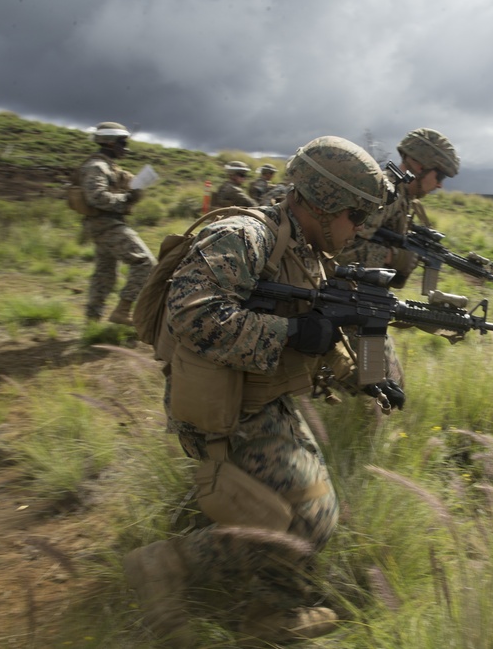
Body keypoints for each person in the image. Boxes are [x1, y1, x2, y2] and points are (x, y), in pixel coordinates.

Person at [122, 136, 404, 647]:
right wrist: (291, 334)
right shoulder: (243, 235)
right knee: (298, 519)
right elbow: (194, 315)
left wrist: (366, 375)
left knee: (312, 511)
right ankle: (170, 567)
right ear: (323, 202)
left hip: (257, 395)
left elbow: (319, 337)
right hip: (216, 407)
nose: (359, 228)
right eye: (355, 215)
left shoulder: (308, 250)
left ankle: (266, 598)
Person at [336, 128, 460, 385]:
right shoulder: (384, 192)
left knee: (387, 384)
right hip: (344, 299)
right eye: (440, 175)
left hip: (363, 300)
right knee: (384, 386)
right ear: (419, 165)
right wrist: (392, 257)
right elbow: (338, 252)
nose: (439, 184)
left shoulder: (403, 198)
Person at [77, 121, 156, 326]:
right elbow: (97, 197)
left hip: (104, 224)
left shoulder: (109, 167)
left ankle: (92, 322)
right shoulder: (97, 167)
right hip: (105, 224)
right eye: (122, 142)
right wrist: (126, 199)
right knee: (145, 263)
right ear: (110, 143)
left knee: (105, 274)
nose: (125, 147)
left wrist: (135, 190)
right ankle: (122, 311)